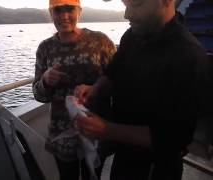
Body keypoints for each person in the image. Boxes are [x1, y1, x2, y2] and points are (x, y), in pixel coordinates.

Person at [74, 0, 211, 179]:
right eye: (125, 4)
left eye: (136, 4)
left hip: (156, 167)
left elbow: (174, 139)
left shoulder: (189, 57)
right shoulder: (132, 36)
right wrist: (95, 89)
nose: (127, 14)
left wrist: (106, 130)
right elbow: (113, 72)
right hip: (123, 158)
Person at [32, 0, 116, 179]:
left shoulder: (101, 42)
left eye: (69, 9)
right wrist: (45, 80)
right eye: (57, 10)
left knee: (92, 176)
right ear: (51, 13)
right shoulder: (45, 48)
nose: (64, 16)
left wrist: (95, 88)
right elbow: (38, 95)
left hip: (96, 131)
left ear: (79, 11)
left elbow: (118, 81)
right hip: (62, 134)